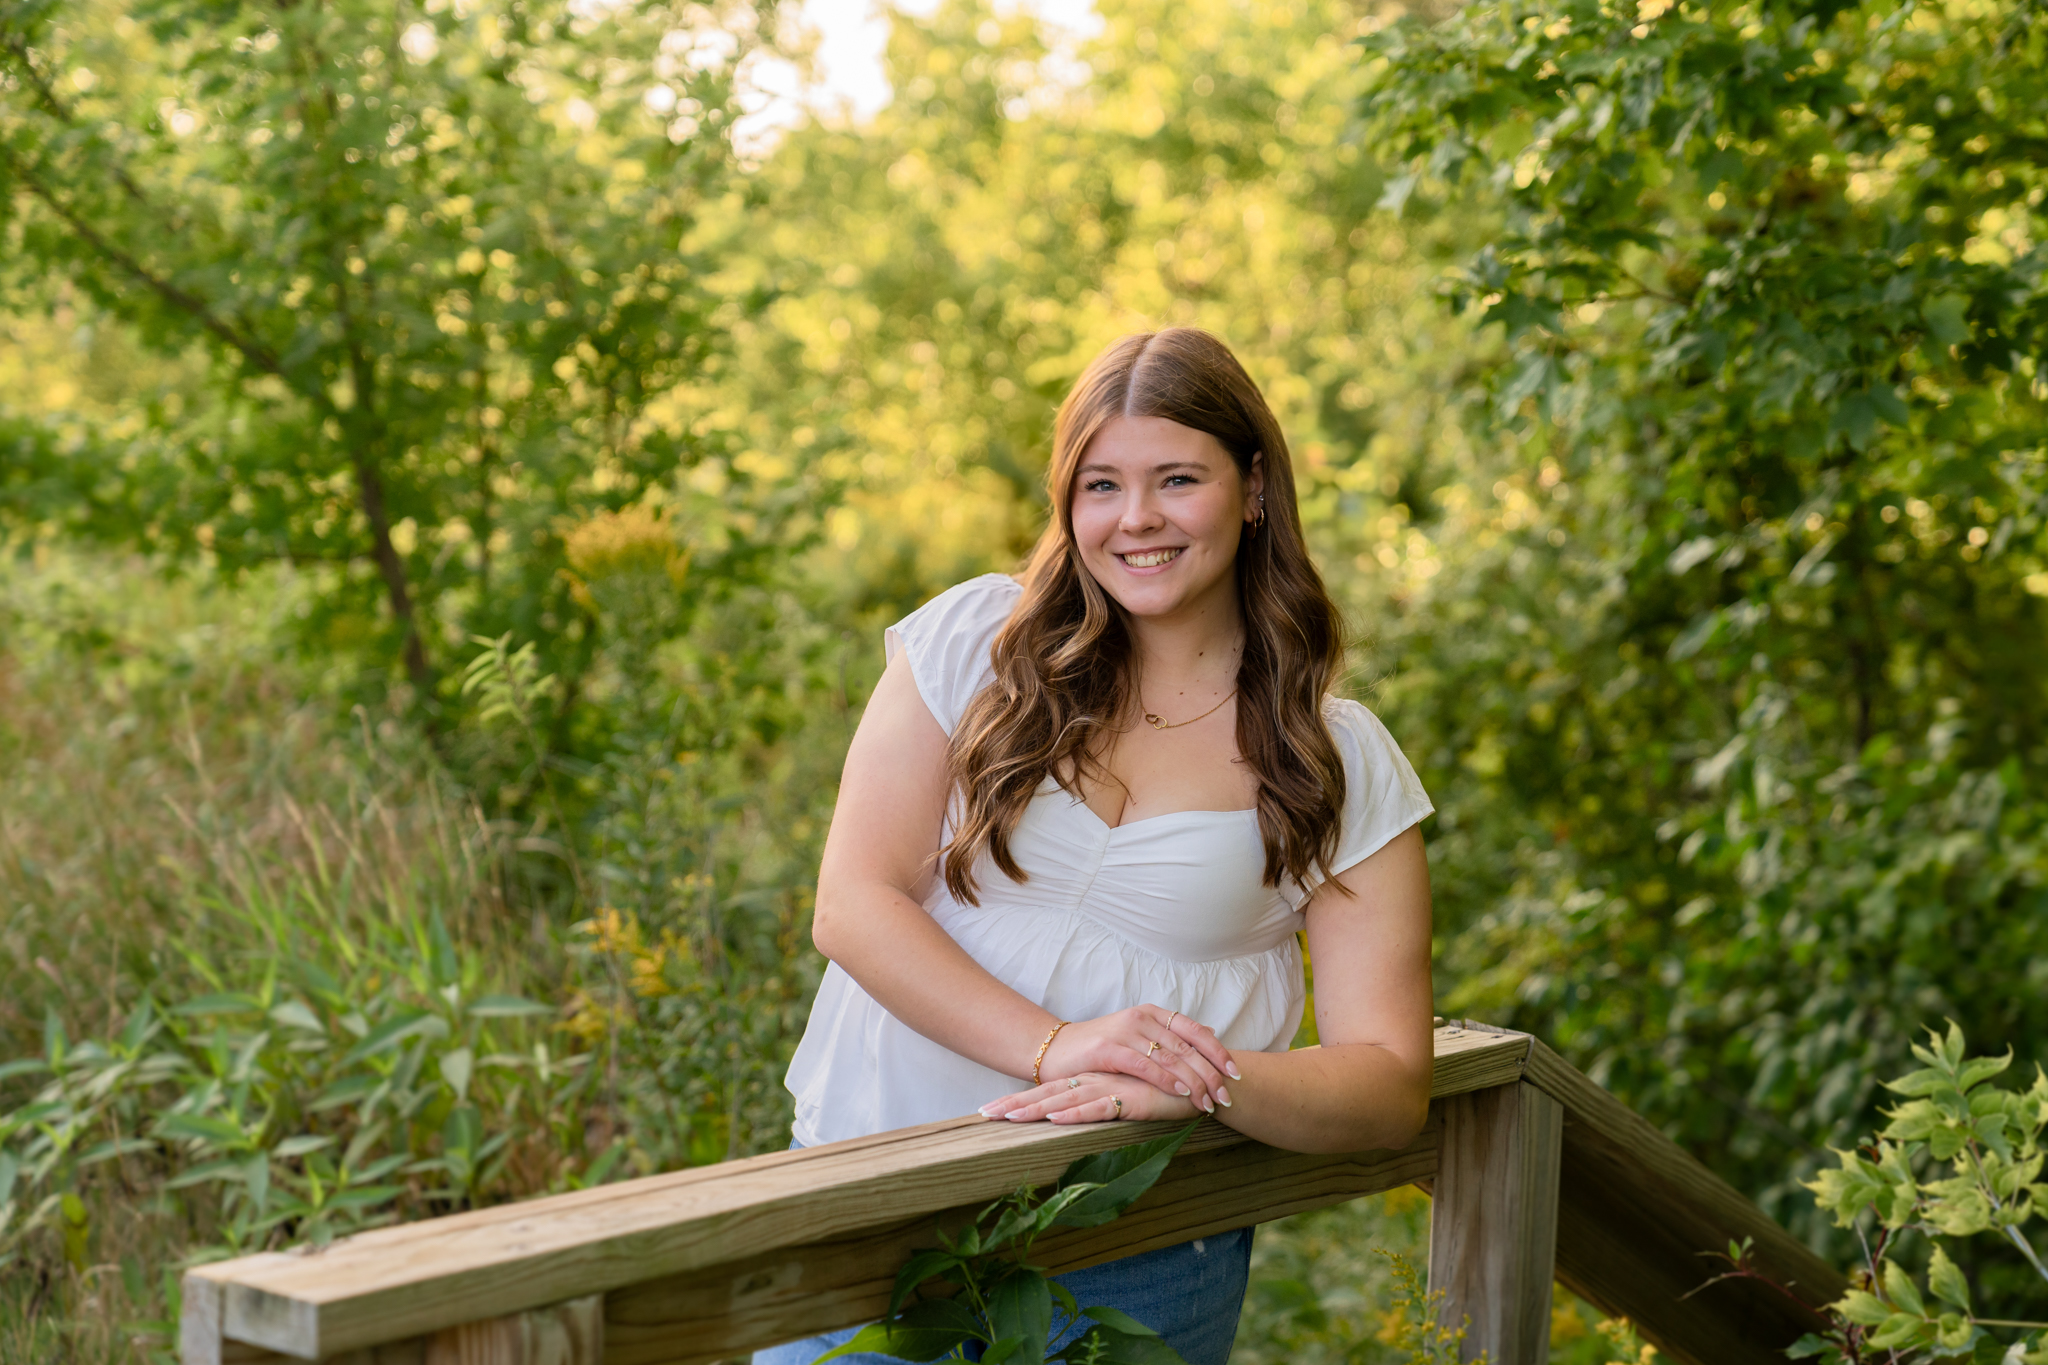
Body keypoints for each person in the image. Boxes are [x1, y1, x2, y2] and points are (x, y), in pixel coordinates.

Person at [755, 328, 1436, 1365]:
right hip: (872, 1202)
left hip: (1138, 1246)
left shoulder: (1330, 754)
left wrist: (1204, 1083)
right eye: (1100, 485)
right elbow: (852, 903)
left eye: (1176, 479)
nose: (1136, 520)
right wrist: (1052, 1045)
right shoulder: (975, 647)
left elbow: (1388, 1082)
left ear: (1252, 489)